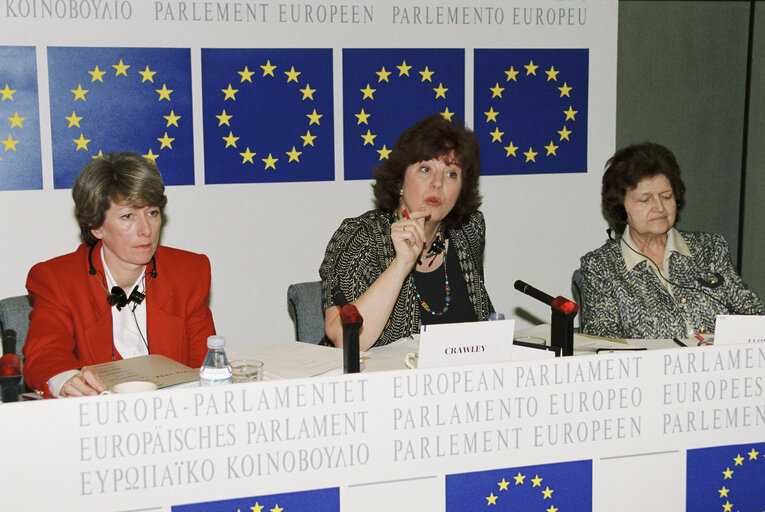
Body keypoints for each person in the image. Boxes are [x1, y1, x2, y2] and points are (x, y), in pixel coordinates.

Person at [23, 152, 216, 397]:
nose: (145, 230)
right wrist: (66, 382)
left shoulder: (189, 272)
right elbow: (45, 353)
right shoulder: (57, 279)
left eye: (152, 213)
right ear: (96, 226)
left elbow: (203, 367)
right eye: (128, 216)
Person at [319, 114, 494, 350]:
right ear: (400, 181)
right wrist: (401, 263)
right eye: (425, 169)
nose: (437, 183)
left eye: (451, 174)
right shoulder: (361, 235)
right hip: (375, 382)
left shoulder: (468, 231)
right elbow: (345, 340)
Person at [579, 142, 764, 339]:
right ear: (621, 207)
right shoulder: (601, 266)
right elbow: (604, 342)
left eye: (666, 197)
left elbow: (753, 314)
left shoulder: (709, 248)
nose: (659, 207)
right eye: (645, 200)